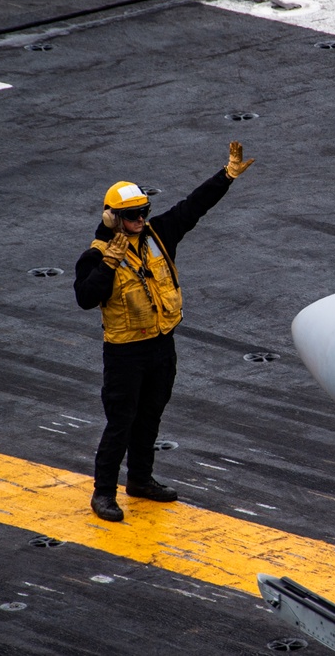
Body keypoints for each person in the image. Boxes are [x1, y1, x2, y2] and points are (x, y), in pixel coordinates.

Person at [74, 142, 254, 522]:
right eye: (132, 216)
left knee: (150, 416)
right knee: (120, 423)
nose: (141, 220)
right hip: (125, 354)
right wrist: (109, 263)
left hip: (161, 346)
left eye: (143, 212)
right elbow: (85, 298)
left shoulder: (158, 235)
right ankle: (103, 493)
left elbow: (193, 207)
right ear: (112, 219)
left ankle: (140, 480)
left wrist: (227, 175)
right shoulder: (95, 256)